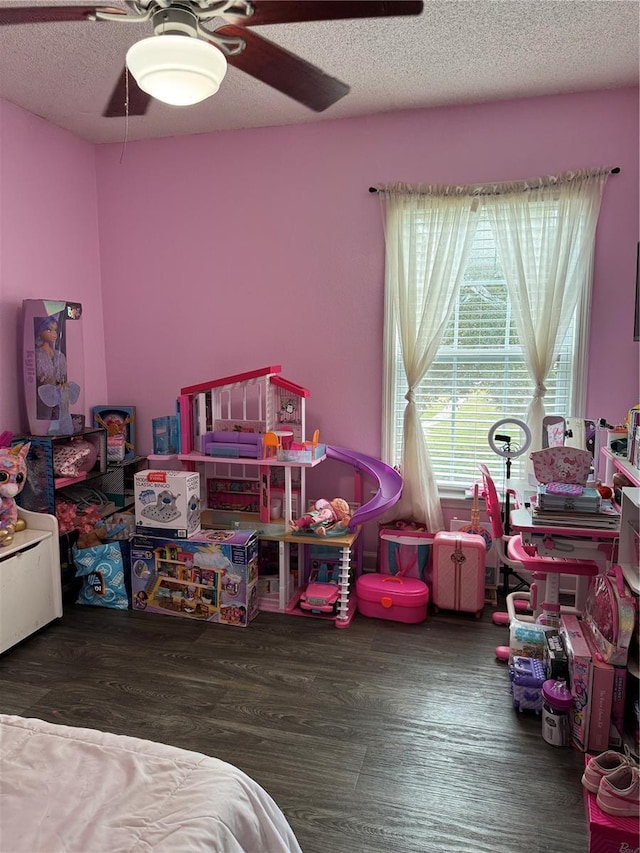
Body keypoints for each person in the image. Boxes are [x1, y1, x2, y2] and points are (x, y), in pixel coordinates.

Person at [34, 313, 67, 419]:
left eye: (55, 330)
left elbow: (61, 375)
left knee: (59, 416)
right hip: (44, 393)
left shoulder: (58, 355)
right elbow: (39, 375)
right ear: (40, 331)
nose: (53, 334)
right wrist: (42, 377)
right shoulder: (37, 354)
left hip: (57, 391)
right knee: (45, 415)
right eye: (49, 330)